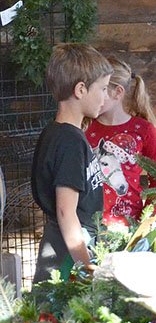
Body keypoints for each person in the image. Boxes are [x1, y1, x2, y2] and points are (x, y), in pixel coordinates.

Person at [31, 43, 112, 283]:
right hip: (66, 250)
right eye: (103, 89)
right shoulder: (69, 141)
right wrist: (86, 267)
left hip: (68, 240)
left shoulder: (61, 133)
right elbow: (66, 212)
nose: (106, 97)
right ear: (80, 89)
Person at [86, 56, 156, 227]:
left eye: (101, 89)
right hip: (91, 226)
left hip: (130, 224)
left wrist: (146, 221)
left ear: (117, 92)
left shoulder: (143, 130)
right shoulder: (86, 128)